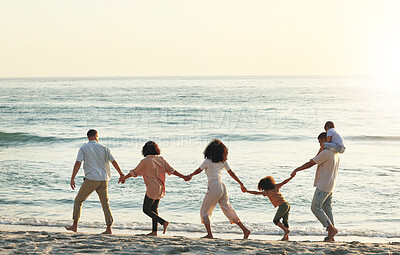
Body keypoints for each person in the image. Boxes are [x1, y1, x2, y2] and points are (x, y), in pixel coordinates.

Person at [121, 141, 190, 236]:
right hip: (161, 187)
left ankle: (163, 222)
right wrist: (183, 176)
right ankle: (154, 232)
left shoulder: (145, 161)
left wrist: (124, 178)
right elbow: (171, 170)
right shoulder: (161, 159)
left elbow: (134, 172)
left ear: (145, 150)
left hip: (152, 188)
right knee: (154, 209)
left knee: (146, 209)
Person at [188, 139, 251, 239]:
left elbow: (198, 170)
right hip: (222, 187)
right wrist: (241, 184)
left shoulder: (207, 161)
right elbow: (232, 173)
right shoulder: (223, 162)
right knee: (228, 209)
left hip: (214, 186)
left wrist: (189, 175)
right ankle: (245, 230)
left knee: (204, 211)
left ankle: (209, 234)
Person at [65, 129, 125, 234]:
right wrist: (121, 174)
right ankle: (109, 228)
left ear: (88, 137)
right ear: (96, 136)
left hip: (91, 179)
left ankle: (74, 226)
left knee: (78, 200)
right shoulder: (105, 148)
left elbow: (78, 163)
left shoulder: (84, 148)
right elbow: (114, 162)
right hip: (104, 180)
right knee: (105, 203)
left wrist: (72, 178)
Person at [291, 132, 340, 242]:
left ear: (324, 140)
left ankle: (331, 229)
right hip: (331, 185)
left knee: (315, 207)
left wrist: (296, 169)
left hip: (324, 185)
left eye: (320, 142)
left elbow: (311, 163)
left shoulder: (326, 152)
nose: (319, 145)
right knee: (327, 209)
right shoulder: (335, 153)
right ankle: (331, 236)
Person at [245, 175, 293, 241]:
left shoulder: (267, 192)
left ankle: (286, 231)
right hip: (287, 204)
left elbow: (256, 193)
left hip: (282, 206)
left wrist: (247, 191)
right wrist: (291, 177)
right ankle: (286, 237)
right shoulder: (276, 187)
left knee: (275, 220)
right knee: (285, 221)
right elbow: (284, 182)